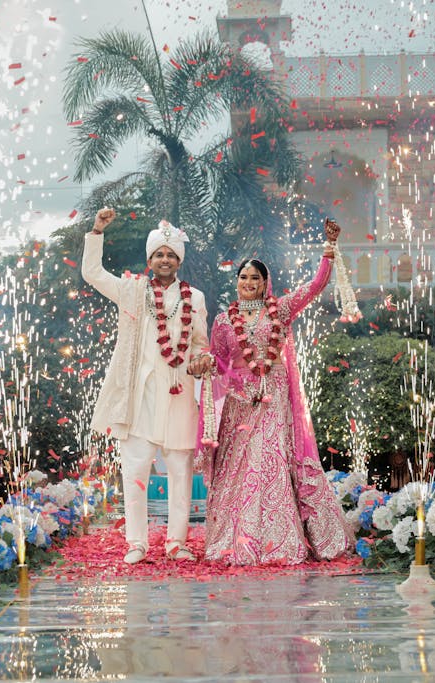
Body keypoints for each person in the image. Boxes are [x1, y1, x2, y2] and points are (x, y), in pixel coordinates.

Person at [200, 218, 351, 565]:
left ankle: (279, 540)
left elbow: (315, 287)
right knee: (240, 467)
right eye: (243, 277)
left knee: (269, 462)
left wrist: (328, 250)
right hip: (241, 403)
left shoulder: (280, 309)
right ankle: (239, 539)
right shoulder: (224, 321)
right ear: (236, 282)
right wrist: (204, 364)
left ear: (265, 283)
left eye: (255, 277)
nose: (248, 282)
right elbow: (219, 361)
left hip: (275, 398)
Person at [82, 208, 212, 564]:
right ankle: (136, 543)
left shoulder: (195, 298)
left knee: (180, 470)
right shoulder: (131, 291)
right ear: (150, 259)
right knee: (135, 469)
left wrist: (202, 358)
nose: (165, 260)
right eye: (159, 254)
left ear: (178, 260)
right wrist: (96, 232)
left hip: (180, 392)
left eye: (171, 255)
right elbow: (92, 273)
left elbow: (201, 343)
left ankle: (176, 542)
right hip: (138, 395)